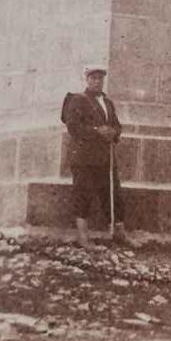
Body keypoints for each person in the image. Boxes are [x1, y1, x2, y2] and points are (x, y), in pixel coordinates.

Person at [61, 66, 127, 248]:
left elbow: (117, 125)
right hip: (84, 157)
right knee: (83, 195)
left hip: (105, 158)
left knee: (113, 193)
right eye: (93, 78)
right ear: (87, 80)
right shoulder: (77, 100)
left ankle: (119, 234)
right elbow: (73, 127)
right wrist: (98, 131)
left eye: (100, 78)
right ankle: (83, 237)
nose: (97, 81)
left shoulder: (107, 103)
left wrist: (114, 132)